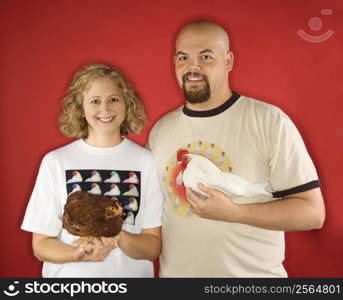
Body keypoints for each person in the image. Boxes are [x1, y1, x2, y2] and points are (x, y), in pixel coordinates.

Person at [148, 20, 325, 277]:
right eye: (183, 57)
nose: (192, 66)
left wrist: (234, 213)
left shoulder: (269, 121)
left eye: (205, 56)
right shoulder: (161, 131)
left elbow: (312, 214)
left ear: (228, 61)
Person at [21, 64, 163, 277]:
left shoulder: (147, 161)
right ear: (81, 108)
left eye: (114, 99)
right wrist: (77, 254)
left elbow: (152, 246)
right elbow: (40, 245)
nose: (105, 109)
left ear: (127, 103)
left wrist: (117, 234)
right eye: (95, 101)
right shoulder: (56, 162)